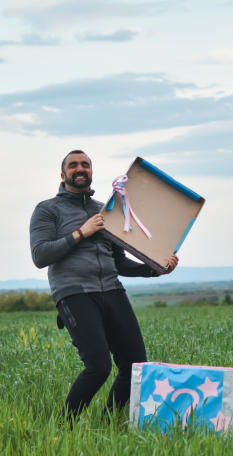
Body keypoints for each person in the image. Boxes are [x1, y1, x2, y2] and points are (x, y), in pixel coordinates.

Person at [30, 150, 178, 422]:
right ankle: (64, 428)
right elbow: (40, 255)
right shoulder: (47, 210)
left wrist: (157, 269)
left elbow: (120, 263)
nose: (80, 168)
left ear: (91, 173)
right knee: (98, 367)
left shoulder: (106, 210)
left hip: (111, 290)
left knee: (135, 365)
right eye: (73, 165)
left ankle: (108, 423)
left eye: (85, 164)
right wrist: (80, 233)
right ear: (63, 175)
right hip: (74, 293)